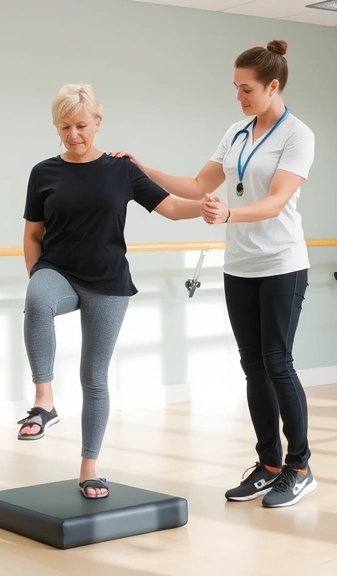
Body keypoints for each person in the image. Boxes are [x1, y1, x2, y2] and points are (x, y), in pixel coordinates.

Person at [109, 40, 317, 508]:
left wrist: (228, 217)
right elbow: (200, 184)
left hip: (282, 263)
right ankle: (268, 465)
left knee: (278, 363)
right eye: (236, 89)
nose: (239, 98)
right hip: (240, 265)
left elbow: (277, 200)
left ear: (273, 85)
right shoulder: (237, 132)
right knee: (252, 366)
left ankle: (299, 467)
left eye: (247, 89)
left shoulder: (297, 136)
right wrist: (143, 168)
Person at [18, 83, 205, 499]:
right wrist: (37, 275)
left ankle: (88, 468)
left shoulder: (120, 170)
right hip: (58, 271)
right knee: (36, 301)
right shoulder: (43, 172)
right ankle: (44, 401)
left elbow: (172, 208)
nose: (73, 135)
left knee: (94, 377)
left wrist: (210, 207)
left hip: (108, 282)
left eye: (81, 125)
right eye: (64, 127)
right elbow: (32, 234)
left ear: (98, 123)